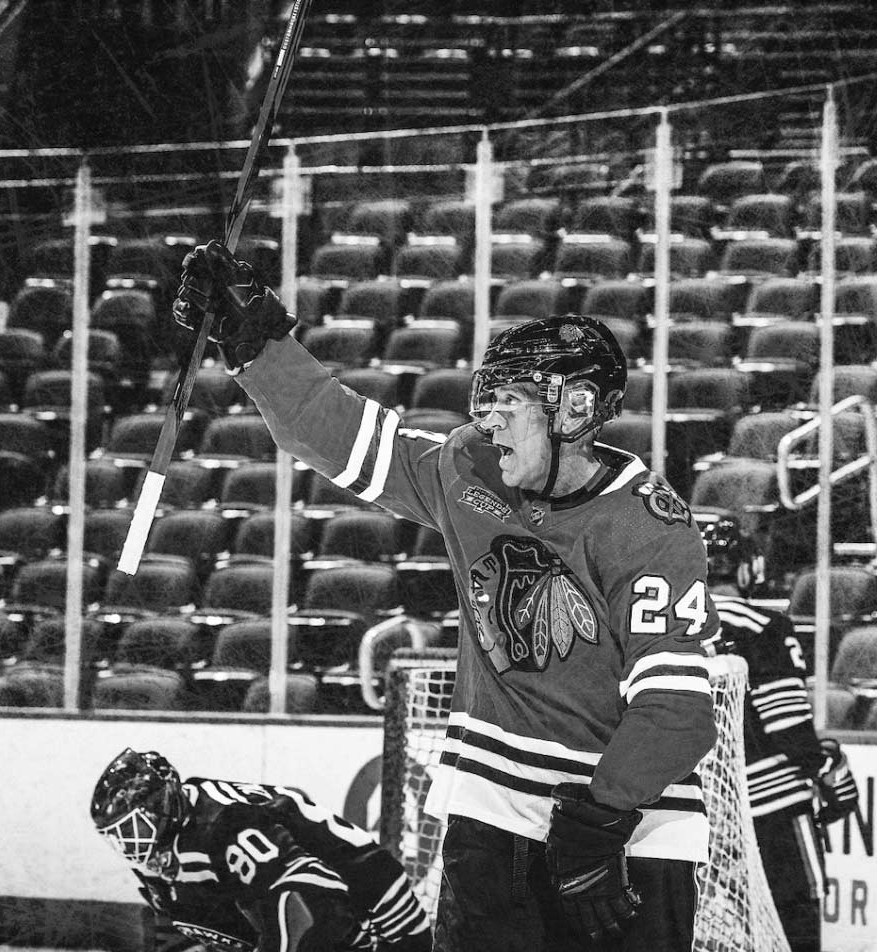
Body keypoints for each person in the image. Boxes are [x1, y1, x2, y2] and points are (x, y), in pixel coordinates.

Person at [172, 241, 721, 952]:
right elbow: (331, 430)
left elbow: (677, 711)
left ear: (576, 408)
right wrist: (252, 339)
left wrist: (601, 821)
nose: (490, 417)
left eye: (512, 402)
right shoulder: (471, 469)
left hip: (629, 835)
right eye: (487, 398)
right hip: (491, 818)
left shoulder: (650, 527)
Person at [695, 509, 861, 952]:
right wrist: (826, 764)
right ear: (750, 567)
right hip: (772, 818)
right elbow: (787, 727)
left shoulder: (669, 631)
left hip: (697, 817)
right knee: (793, 927)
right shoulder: (764, 627)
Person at [91, 747, 433, 952]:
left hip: (372, 895)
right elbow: (183, 932)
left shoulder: (223, 823)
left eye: (134, 827)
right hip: (319, 901)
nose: (131, 844)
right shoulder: (164, 848)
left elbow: (303, 902)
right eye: (119, 836)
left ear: (162, 803)